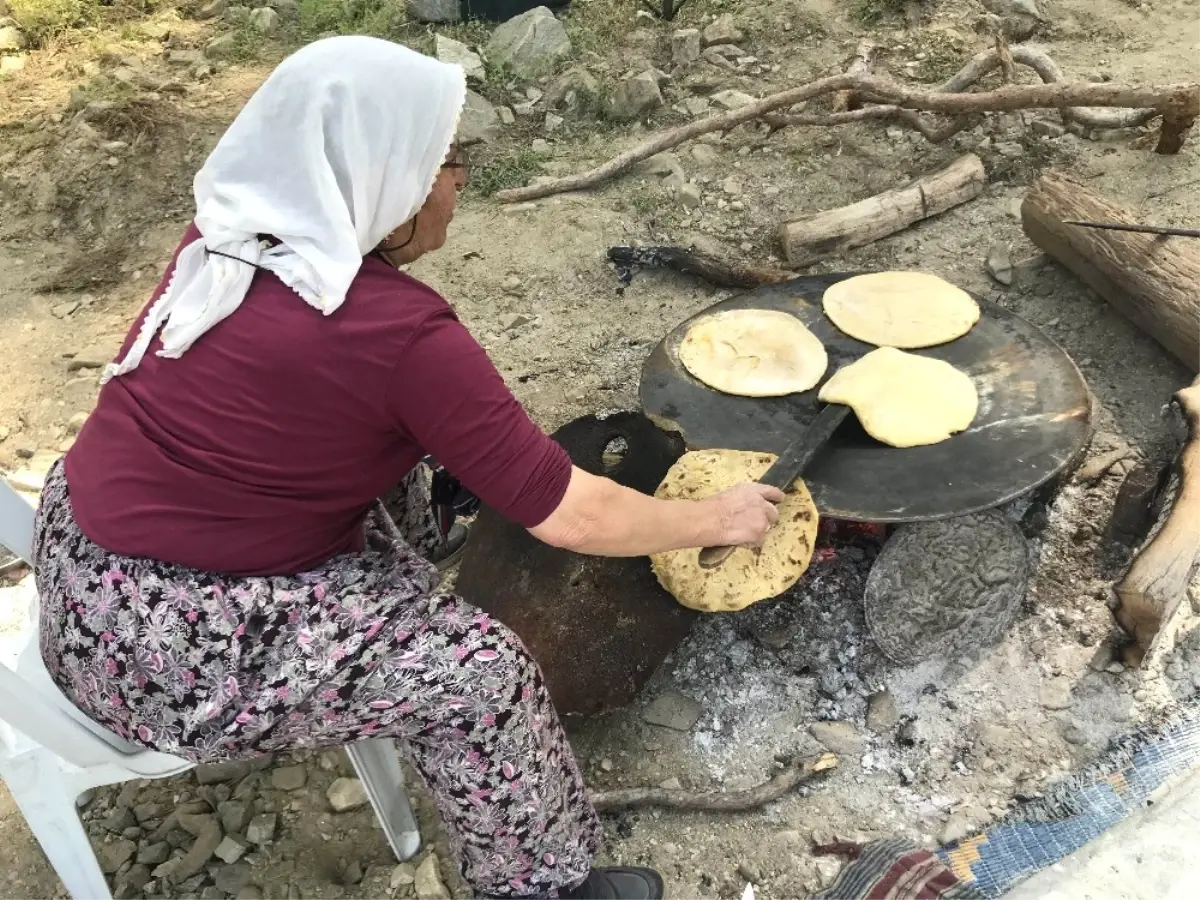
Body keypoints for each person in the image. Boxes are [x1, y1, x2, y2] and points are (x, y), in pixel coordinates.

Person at [32, 37, 782, 900]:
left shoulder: (227, 237)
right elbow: (570, 515)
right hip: (175, 656)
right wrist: (717, 518)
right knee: (480, 675)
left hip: (86, 571)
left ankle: (421, 554)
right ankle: (545, 887)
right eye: (446, 160)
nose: (459, 181)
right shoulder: (399, 334)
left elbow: (313, 401)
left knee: (399, 454)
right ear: (389, 183)